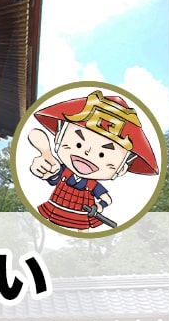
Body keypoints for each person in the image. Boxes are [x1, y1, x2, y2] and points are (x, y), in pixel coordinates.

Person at [27, 89, 159, 231]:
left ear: (121, 169)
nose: (87, 153)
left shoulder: (92, 184)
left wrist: (99, 206)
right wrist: (45, 168)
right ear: (59, 137)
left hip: (81, 216)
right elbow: (53, 175)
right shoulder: (64, 172)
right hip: (56, 209)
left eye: (102, 154)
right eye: (78, 144)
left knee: (82, 232)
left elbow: (106, 199)